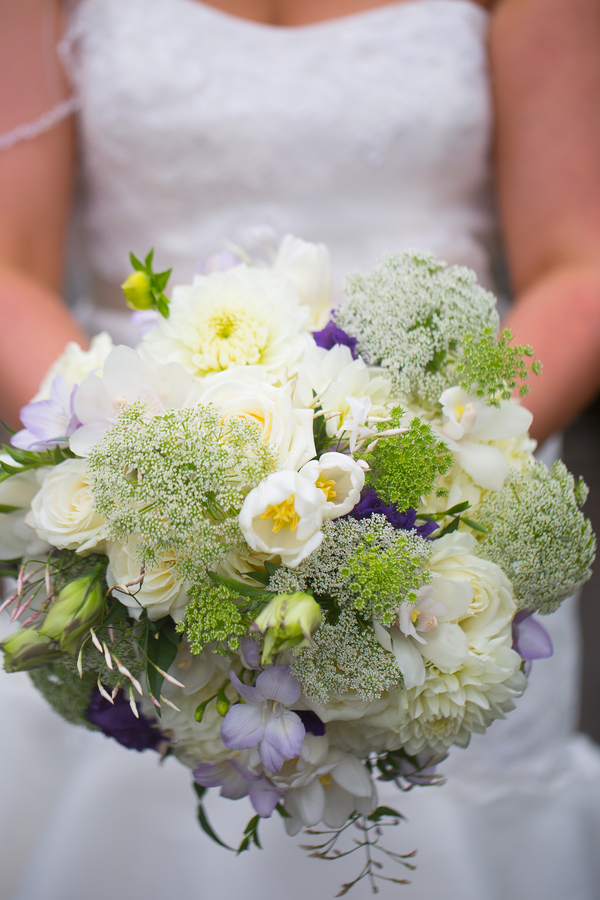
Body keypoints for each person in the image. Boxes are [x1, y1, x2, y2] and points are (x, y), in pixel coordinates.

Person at [0, 1, 599, 898]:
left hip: (441, 486)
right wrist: (131, 470)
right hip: (138, 477)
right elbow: (9, 257)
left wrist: (431, 489)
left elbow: (578, 261)